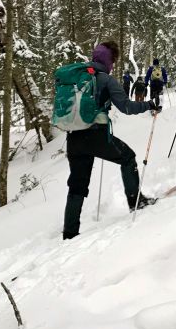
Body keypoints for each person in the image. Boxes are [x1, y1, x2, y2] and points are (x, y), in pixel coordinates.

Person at [63, 41, 160, 240]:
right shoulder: (105, 79)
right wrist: (149, 104)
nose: (113, 65)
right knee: (127, 157)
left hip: (73, 137)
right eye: (113, 61)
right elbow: (126, 107)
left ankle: (69, 234)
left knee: (77, 184)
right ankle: (136, 202)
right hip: (95, 135)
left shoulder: (78, 77)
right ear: (109, 60)